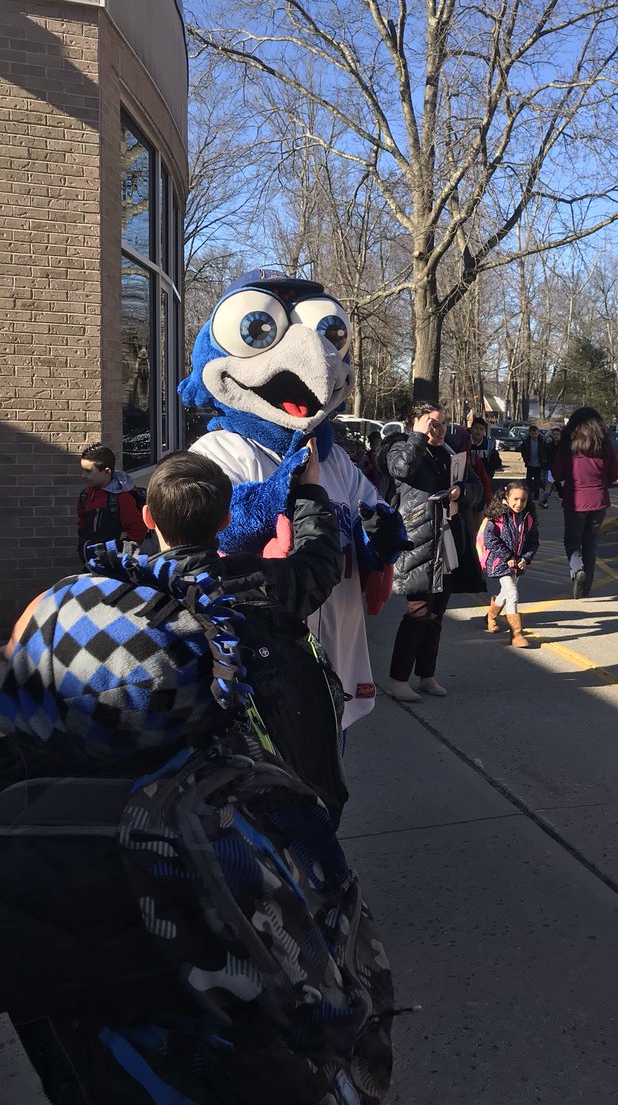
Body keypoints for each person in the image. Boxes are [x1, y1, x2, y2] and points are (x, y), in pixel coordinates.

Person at [0, 450, 393, 1105]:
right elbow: (322, 557)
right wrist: (311, 495)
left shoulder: (29, 811)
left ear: (146, 517)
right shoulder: (257, 591)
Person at [386, 402, 484, 701]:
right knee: (418, 611)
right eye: (432, 423)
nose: (439, 429)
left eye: (442, 423)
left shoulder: (449, 452)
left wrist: (462, 492)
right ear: (416, 423)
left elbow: (477, 485)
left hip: (448, 540)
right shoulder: (401, 447)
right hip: (418, 540)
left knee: (436, 615)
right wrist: (417, 436)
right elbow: (400, 469)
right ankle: (398, 679)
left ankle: (426, 675)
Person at [551, 407, 618, 599]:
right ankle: (585, 587)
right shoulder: (604, 446)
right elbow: (614, 475)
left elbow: (557, 472)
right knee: (590, 544)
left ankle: (577, 569)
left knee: (572, 541)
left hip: (575, 501)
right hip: (598, 501)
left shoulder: (568, 445)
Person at [482, 480, 540, 647]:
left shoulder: (528, 519)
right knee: (513, 594)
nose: (519, 503)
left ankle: (491, 616)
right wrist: (507, 556)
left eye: (523, 500)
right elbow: (490, 539)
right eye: (515, 499)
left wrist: (525, 558)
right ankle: (516, 634)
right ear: (506, 497)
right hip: (500, 563)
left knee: (506, 594)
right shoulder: (498, 516)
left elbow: (533, 542)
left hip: (517, 565)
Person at [77, 442, 147, 564]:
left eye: (88, 471)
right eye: (82, 470)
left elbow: (138, 530)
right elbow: (81, 524)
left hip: (116, 564)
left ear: (107, 471)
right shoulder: (86, 495)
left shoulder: (122, 497)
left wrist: (120, 554)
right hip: (91, 561)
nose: (83, 475)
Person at [469, 417, 502, 484]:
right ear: (471, 429)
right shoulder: (464, 443)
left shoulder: (489, 445)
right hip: (468, 479)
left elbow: (497, 463)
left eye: (481, 429)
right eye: (476, 428)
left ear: (484, 431)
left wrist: (487, 470)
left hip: (484, 478)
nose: (478, 431)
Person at [518, 424, 546, 499]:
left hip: (538, 464)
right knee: (529, 481)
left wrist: (543, 460)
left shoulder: (541, 441)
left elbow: (544, 451)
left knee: (537, 481)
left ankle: (536, 496)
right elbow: (523, 451)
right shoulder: (526, 441)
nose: (534, 435)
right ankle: (529, 495)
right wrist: (525, 459)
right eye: (532, 434)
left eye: (536, 433)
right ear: (530, 434)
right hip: (530, 464)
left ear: (538, 433)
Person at [539, 427, 563, 507]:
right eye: (554, 434)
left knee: (563, 484)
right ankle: (545, 500)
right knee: (549, 483)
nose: (556, 436)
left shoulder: (563, 446)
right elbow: (546, 455)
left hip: (562, 468)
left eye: (557, 434)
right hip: (552, 467)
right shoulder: (549, 445)